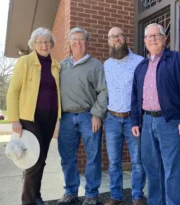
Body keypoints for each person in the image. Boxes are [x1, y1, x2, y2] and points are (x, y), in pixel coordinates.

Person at [131, 23, 180, 205]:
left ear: (164, 38)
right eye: (149, 36)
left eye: (157, 35)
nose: (153, 39)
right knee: (152, 169)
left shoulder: (178, 60)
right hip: (146, 122)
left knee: (172, 170)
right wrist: (135, 122)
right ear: (144, 41)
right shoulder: (141, 67)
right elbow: (135, 96)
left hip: (170, 122)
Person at [7, 27, 61, 205]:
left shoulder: (55, 64)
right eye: (40, 42)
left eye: (47, 42)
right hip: (30, 118)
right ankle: (29, 201)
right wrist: (15, 119)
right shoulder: (25, 62)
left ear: (51, 44)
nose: (44, 45)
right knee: (33, 159)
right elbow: (13, 91)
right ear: (34, 44)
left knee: (42, 158)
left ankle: (36, 196)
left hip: (50, 116)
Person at [57, 27, 108, 205]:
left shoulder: (96, 65)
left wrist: (97, 114)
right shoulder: (62, 66)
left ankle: (91, 194)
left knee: (93, 157)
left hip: (88, 116)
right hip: (66, 118)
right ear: (70, 43)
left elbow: (103, 91)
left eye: (81, 39)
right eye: (74, 39)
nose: (78, 42)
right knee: (67, 157)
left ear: (87, 42)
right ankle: (70, 192)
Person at [103, 27, 146, 205]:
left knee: (137, 160)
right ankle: (116, 196)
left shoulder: (139, 62)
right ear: (109, 41)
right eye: (112, 36)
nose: (116, 39)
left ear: (125, 38)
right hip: (111, 118)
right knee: (114, 162)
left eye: (119, 35)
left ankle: (137, 196)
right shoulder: (105, 65)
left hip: (132, 119)